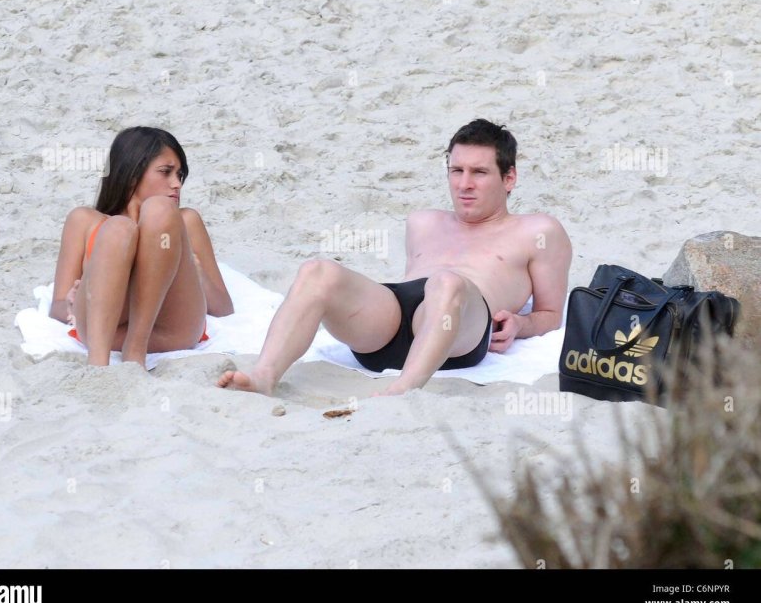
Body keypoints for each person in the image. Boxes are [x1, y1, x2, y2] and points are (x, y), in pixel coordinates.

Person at [217, 118, 571, 396]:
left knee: (447, 283)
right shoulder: (423, 222)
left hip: (462, 328)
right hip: (392, 324)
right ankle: (264, 376)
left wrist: (521, 325)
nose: (464, 184)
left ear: (509, 178)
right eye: (456, 171)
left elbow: (551, 315)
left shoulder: (538, 231)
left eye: (479, 173)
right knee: (317, 271)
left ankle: (402, 389)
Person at [50, 126, 233, 368]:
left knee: (160, 210)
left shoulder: (186, 221)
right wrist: (71, 302)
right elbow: (57, 306)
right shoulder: (85, 221)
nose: (176, 184)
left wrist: (198, 273)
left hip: (173, 330)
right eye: (165, 172)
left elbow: (223, 307)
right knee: (119, 229)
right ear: (132, 173)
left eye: (179, 175)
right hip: (105, 332)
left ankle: (136, 348)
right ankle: (98, 366)